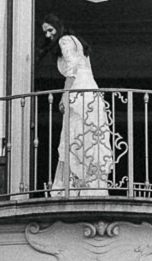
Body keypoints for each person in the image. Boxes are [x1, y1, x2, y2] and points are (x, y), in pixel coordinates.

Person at [49, 33, 119, 193]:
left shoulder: (64, 40)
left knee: (75, 137)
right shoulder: (78, 44)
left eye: (50, 30)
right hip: (91, 94)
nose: (48, 35)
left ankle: (76, 188)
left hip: (79, 94)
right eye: (45, 32)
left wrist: (64, 96)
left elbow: (72, 71)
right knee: (90, 138)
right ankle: (90, 186)